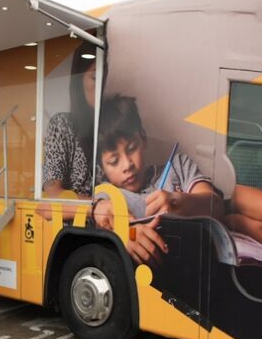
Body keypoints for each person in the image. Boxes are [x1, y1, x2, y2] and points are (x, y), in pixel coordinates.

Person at [91, 95, 224, 266]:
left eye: (132, 148)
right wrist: (126, 234)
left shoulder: (178, 166)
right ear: (101, 166)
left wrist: (178, 201)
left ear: (143, 139)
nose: (127, 164)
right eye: (114, 161)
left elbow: (218, 207)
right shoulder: (104, 196)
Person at [42, 41, 102, 201]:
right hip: (76, 221)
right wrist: (97, 206)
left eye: (105, 77)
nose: (101, 86)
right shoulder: (62, 125)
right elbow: (52, 189)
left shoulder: (113, 127)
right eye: (95, 77)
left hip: (115, 220)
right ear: (79, 82)